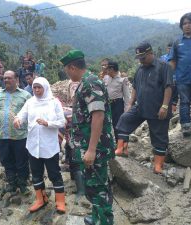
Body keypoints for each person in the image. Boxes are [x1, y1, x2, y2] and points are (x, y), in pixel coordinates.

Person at [61, 50, 115, 225]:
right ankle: (97, 216)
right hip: (88, 147)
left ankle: (105, 221)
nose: (67, 74)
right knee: (92, 185)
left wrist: (91, 150)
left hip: (96, 148)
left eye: (67, 70)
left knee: (99, 186)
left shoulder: (91, 83)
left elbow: (98, 115)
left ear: (73, 67)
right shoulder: (86, 82)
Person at [115, 42, 173, 174]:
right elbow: (135, 87)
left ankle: (158, 165)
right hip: (141, 107)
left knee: (159, 136)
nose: (141, 60)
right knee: (125, 119)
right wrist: (130, 104)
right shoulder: (140, 69)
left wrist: (164, 106)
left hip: (158, 109)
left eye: (143, 57)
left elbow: (169, 86)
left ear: (151, 53)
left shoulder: (164, 67)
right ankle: (122, 149)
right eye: (139, 58)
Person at [13, 77, 66, 214]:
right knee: (36, 174)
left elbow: (62, 122)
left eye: (39, 87)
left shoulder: (54, 102)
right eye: (34, 87)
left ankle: (60, 201)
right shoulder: (30, 102)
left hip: (49, 146)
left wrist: (48, 123)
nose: (36, 90)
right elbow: (21, 115)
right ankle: (40, 199)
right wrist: (17, 120)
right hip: (33, 145)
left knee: (54, 174)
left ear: (45, 88)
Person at [0, 71, 32, 195]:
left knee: (22, 161)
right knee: (6, 160)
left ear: (16, 79)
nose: (6, 80)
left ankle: (23, 183)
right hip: (2, 136)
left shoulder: (25, 95)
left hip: (20, 136)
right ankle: (12, 183)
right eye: (4, 78)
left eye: (9, 78)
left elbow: (31, 114)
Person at [169, 12, 191, 136]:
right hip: (182, 78)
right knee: (184, 102)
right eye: (184, 23)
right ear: (181, 26)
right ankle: (185, 127)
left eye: (190, 23)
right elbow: (172, 60)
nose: (187, 25)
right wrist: (169, 76)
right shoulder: (177, 42)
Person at [106, 60, 130, 141]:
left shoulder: (122, 79)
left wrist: (127, 110)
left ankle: (121, 144)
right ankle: (115, 143)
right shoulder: (106, 78)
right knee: (110, 124)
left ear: (112, 69)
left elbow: (127, 96)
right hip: (108, 104)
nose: (106, 71)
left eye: (108, 69)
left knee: (118, 124)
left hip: (118, 104)